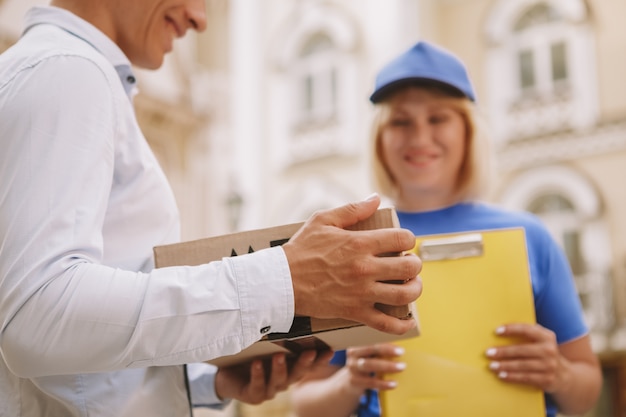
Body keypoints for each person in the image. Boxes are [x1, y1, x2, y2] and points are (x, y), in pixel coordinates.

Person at [0, 1, 424, 416]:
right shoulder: (67, 71)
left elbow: (74, 347)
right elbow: (36, 312)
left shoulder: (71, 72)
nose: (200, 18)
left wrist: (209, 381)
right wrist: (284, 280)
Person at [290, 40, 602, 417]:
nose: (420, 137)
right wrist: (351, 381)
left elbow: (585, 395)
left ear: (468, 131)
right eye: (400, 121)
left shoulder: (530, 236)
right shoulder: (352, 246)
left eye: (438, 118)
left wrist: (560, 375)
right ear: (379, 140)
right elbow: (305, 404)